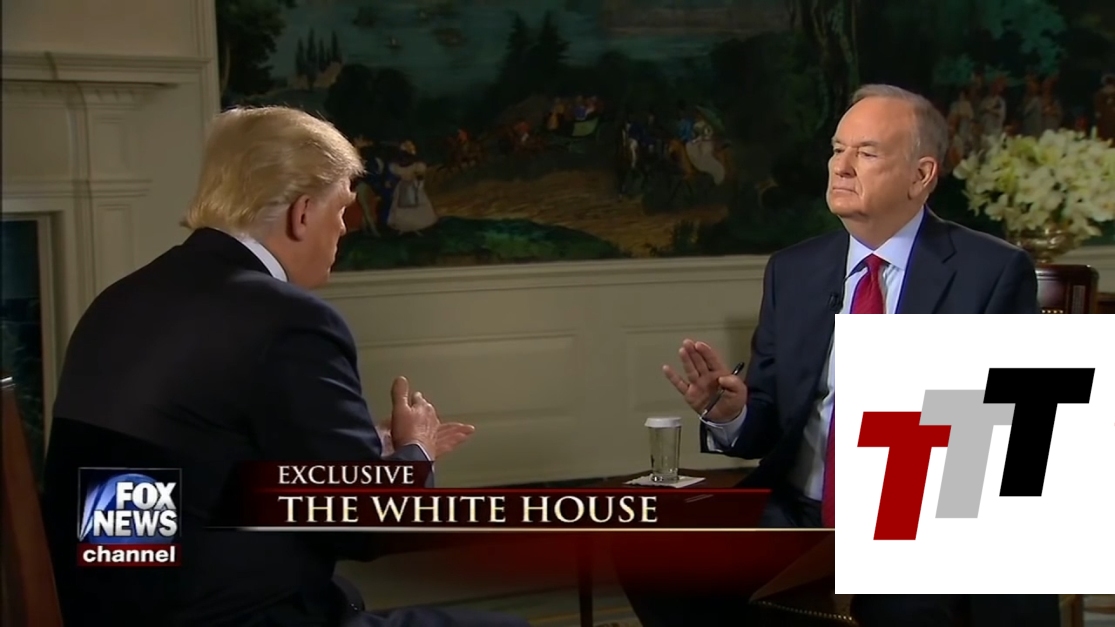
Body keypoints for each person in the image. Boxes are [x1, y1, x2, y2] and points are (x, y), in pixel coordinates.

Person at [41, 106, 529, 627]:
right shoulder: (289, 319)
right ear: (303, 213)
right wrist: (417, 450)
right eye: (341, 209)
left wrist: (364, 448)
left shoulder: (119, 301)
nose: (344, 229)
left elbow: (180, 469)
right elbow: (369, 527)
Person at [619, 85, 1058, 627]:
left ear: (921, 176)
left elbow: (1017, 441)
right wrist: (730, 412)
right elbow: (767, 424)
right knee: (649, 555)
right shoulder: (793, 271)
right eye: (837, 149)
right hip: (798, 516)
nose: (841, 167)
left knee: (907, 609)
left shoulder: (989, 272)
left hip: (919, 523)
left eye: (866, 153)